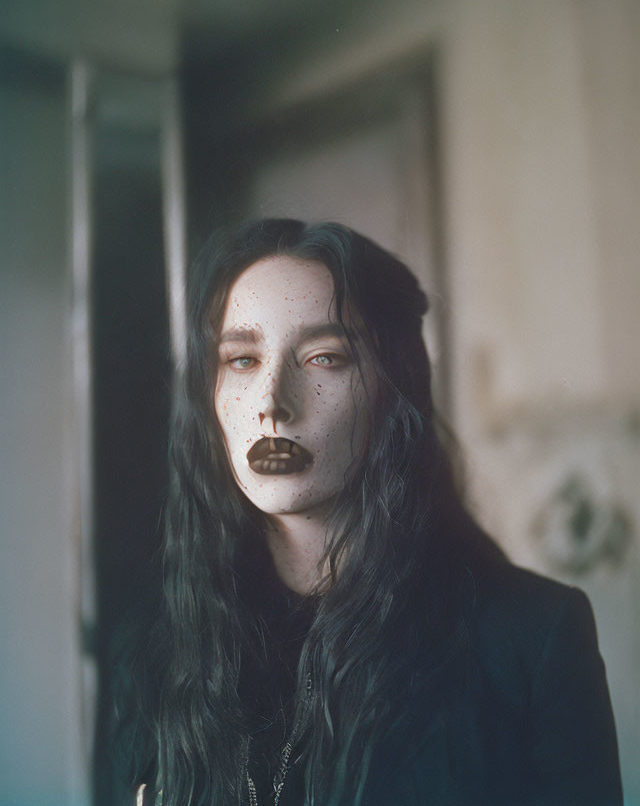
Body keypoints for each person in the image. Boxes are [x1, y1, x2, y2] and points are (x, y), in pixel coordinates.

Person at [106, 219, 623, 806]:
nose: (273, 403)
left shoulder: (532, 638)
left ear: (392, 388)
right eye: (242, 360)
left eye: (324, 358)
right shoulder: (153, 651)